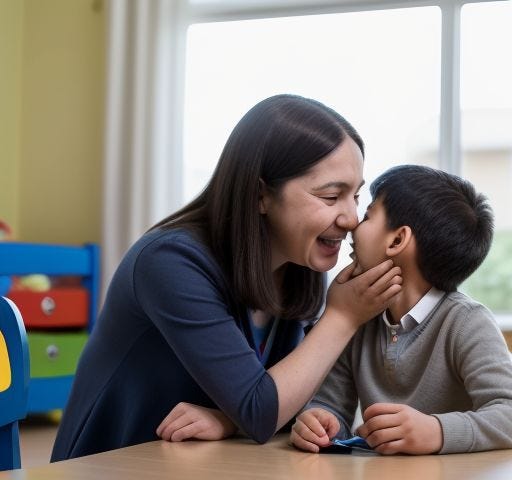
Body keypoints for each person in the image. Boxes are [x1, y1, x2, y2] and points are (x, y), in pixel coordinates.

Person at [51, 94, 402, 461]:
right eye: (331, 197)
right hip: (112, 466)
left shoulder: (299, 267)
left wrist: (231, 420)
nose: (351, 218)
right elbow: (261, 408)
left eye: (356, 197)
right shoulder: (169, 262)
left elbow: (284, 401)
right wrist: (343, 316)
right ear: (260, 194)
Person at [291, 164, 512, 455]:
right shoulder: (358, 318)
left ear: (397, 240)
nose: (353, 225)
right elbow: (330, 406)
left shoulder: (466, 322)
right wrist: (321, 422)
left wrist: (437, 431)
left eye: (369, 215)